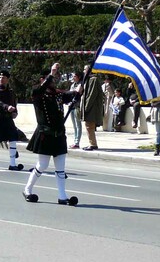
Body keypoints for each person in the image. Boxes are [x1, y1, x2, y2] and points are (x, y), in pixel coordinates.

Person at [23, 63, 79, 206]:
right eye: (52, 79)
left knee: (60, 168)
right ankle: (27, 189)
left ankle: (62, 196)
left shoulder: (58, 94)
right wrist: (51, 74)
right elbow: (40, 91)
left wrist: (78, 91)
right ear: (43, 79)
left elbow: (70, 95)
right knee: (42, 165)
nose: (54, 81)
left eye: (54, 79)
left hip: (59, 134)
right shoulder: (38, 94)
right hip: (45, 135)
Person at [80, 71, 103, 151]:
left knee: (90, 126)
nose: (83, 71)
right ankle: (92, 143)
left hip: (92, 108)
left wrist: (86, 108)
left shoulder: (93, 79)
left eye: (85, 69)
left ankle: (93, 144)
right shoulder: (87, 80)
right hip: (89, 107)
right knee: (89, 126)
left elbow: (92, 95)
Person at [67, 71, 83, 149]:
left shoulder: (81, 84)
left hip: (77, 106)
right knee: (74, 125)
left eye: (74, 76)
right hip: (71, 106)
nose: (73, 78)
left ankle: (77, 142)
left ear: (78, 77)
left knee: (78, 125)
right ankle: (75, 141)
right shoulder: (73, 85)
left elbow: (77, 93)